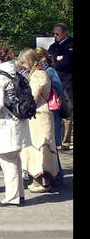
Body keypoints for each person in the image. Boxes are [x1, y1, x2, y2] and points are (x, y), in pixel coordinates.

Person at [0, 47, 31, 207]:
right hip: (19, 121)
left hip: (6, 124)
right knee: (15, 158)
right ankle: (19, 194)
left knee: (8, 160)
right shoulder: (15, 73)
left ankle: (12, 197)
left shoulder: (0, 78)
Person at [18, 48, 59, 192]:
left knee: (39, 150)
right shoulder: (40, 73)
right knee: (44, 149)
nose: (22, 65)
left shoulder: (38, 75)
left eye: (23, 62)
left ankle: (40, 183)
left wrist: (23, 107)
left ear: (29, 61)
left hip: (39, 116)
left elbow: (33, 97)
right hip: (41, 115)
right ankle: (44, 181)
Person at [35, 47, 64, 181]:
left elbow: (58, 88)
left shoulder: (49, 70)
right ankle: (54, 174)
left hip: (52, 110)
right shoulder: (42, 71)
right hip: (49, 110)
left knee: (51, 144)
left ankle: (58, 175)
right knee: (49, 144)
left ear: (43, 58)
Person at [48, 22, 73, 150]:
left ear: (65, 33)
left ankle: (65, 141)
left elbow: (67, 63)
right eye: (54, 33)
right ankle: (55, 138)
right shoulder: (53, 46)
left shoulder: (71, 44)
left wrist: (57, 60)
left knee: (67, 113)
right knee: (54, 111)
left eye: (57, 33)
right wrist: (57, 59)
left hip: (67, 83)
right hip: (54, 84)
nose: (55, 36)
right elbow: (49, 59)